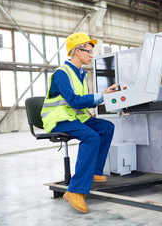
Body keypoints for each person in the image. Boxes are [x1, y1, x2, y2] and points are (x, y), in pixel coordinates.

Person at [41, 32, 119, 214]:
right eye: (89, 51)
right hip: (58, 118)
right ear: (77, 51)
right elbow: (74, 100)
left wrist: (90, 113)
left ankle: (94, 171)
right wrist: (101, 96)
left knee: (107, 127)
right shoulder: (62, 73)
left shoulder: (80, 74)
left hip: (74, 117)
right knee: (91, 137)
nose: (91, 55)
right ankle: (75, 190)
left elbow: (80, 103)